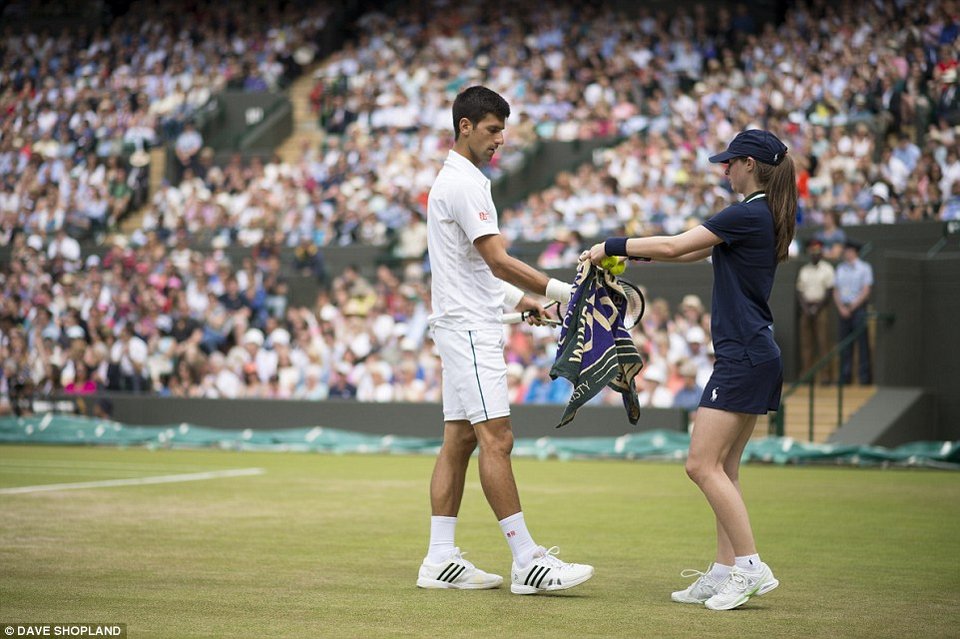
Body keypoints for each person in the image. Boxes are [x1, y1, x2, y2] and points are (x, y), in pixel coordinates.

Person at [584, 129, 795, 610]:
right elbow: (693, 249)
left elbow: (679, 246)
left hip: (743, 356)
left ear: (749, 165)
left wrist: (609, 245)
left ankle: (750, 567)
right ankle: (725, 569)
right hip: (753, 353)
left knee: (699, 465)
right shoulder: (759, 214)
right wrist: (631, 254)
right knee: (724, 469)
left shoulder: (747, 211)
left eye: (730, 163)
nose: (724, 170)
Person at [418, 86, 593, 595]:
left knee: (460, 440)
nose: (501, 140)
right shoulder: (464, 183)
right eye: (493, 129)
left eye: (502, 130)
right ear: (465, 126)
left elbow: (475, 273)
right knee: (498, 439)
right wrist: (568, 290)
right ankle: (527, 561)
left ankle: (439, 558)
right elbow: (496, 260)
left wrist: (526, 303)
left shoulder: (461, 181)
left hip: (464, 323)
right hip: (468, 331)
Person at [833, 239, 873, 385]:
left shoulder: (864, 268)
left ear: (855, 252)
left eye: (849, 250)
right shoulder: (840, 269)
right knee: (844, 344)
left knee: (862, 343)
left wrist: (853, 307)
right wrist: (842, 308)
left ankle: (864, 378)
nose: (846, 253)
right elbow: (836, 291)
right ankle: (844, 376)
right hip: (843, 309)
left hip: (858, 309)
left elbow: (866, 290)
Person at [796, 238, 835, 383]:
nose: (815, 255)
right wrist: (806, 308)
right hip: (806, 308)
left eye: (817, 252)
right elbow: (799, 291)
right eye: (812, 252)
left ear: (821, 253)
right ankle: (807, 374)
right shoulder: (804, 270)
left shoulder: (827, 269)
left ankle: (825, 376)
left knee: (823, 341)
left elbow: (829, 291)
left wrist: (816, 308)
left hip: (821, 308)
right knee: (806, 343)